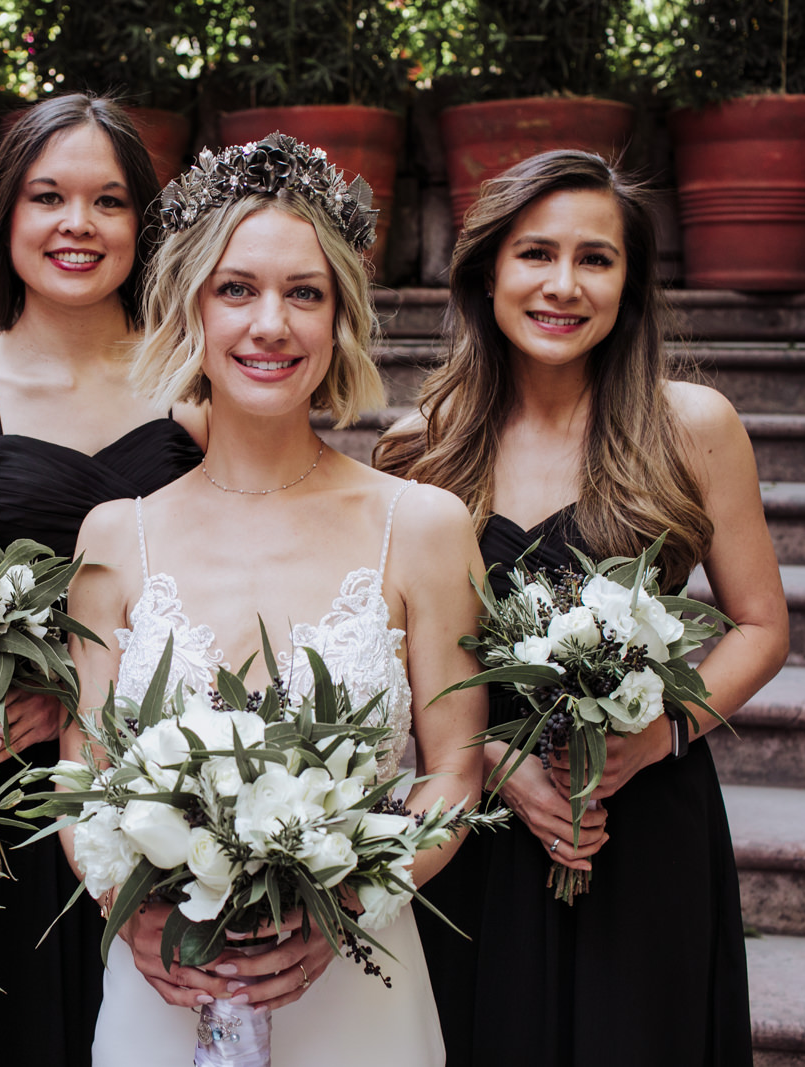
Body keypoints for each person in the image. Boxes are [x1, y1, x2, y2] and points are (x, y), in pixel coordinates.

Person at [65, 133, 488, 1066]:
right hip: (163, 991)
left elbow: (455, 772)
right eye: (236, 289)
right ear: (191, 310)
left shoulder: (421, 526)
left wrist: (344, 902)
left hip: (359, 990)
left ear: (339, 318)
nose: (271, 324)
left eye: (305, 293)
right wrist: (125, 915)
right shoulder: (113, 536)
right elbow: (82, 776)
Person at [374, 149, 789, 1067]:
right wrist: (492, 759)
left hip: (643, 817)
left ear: (629, 281)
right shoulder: (418, 448)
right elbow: (394, 665)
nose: (564, 285)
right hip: (475, 828)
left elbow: (761, 625)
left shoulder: (694, 426)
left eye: (596, 259)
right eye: (536, 254)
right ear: (488, 272)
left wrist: (656, 739)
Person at [0, 94, 206, 1067]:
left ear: (141, 224)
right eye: (48, 196)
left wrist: (75, 692)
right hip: (3, 808)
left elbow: (241, 590)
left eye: (108, 200)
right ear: (5, 215)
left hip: (167, 790)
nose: (78, 224)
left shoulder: (199, 389)